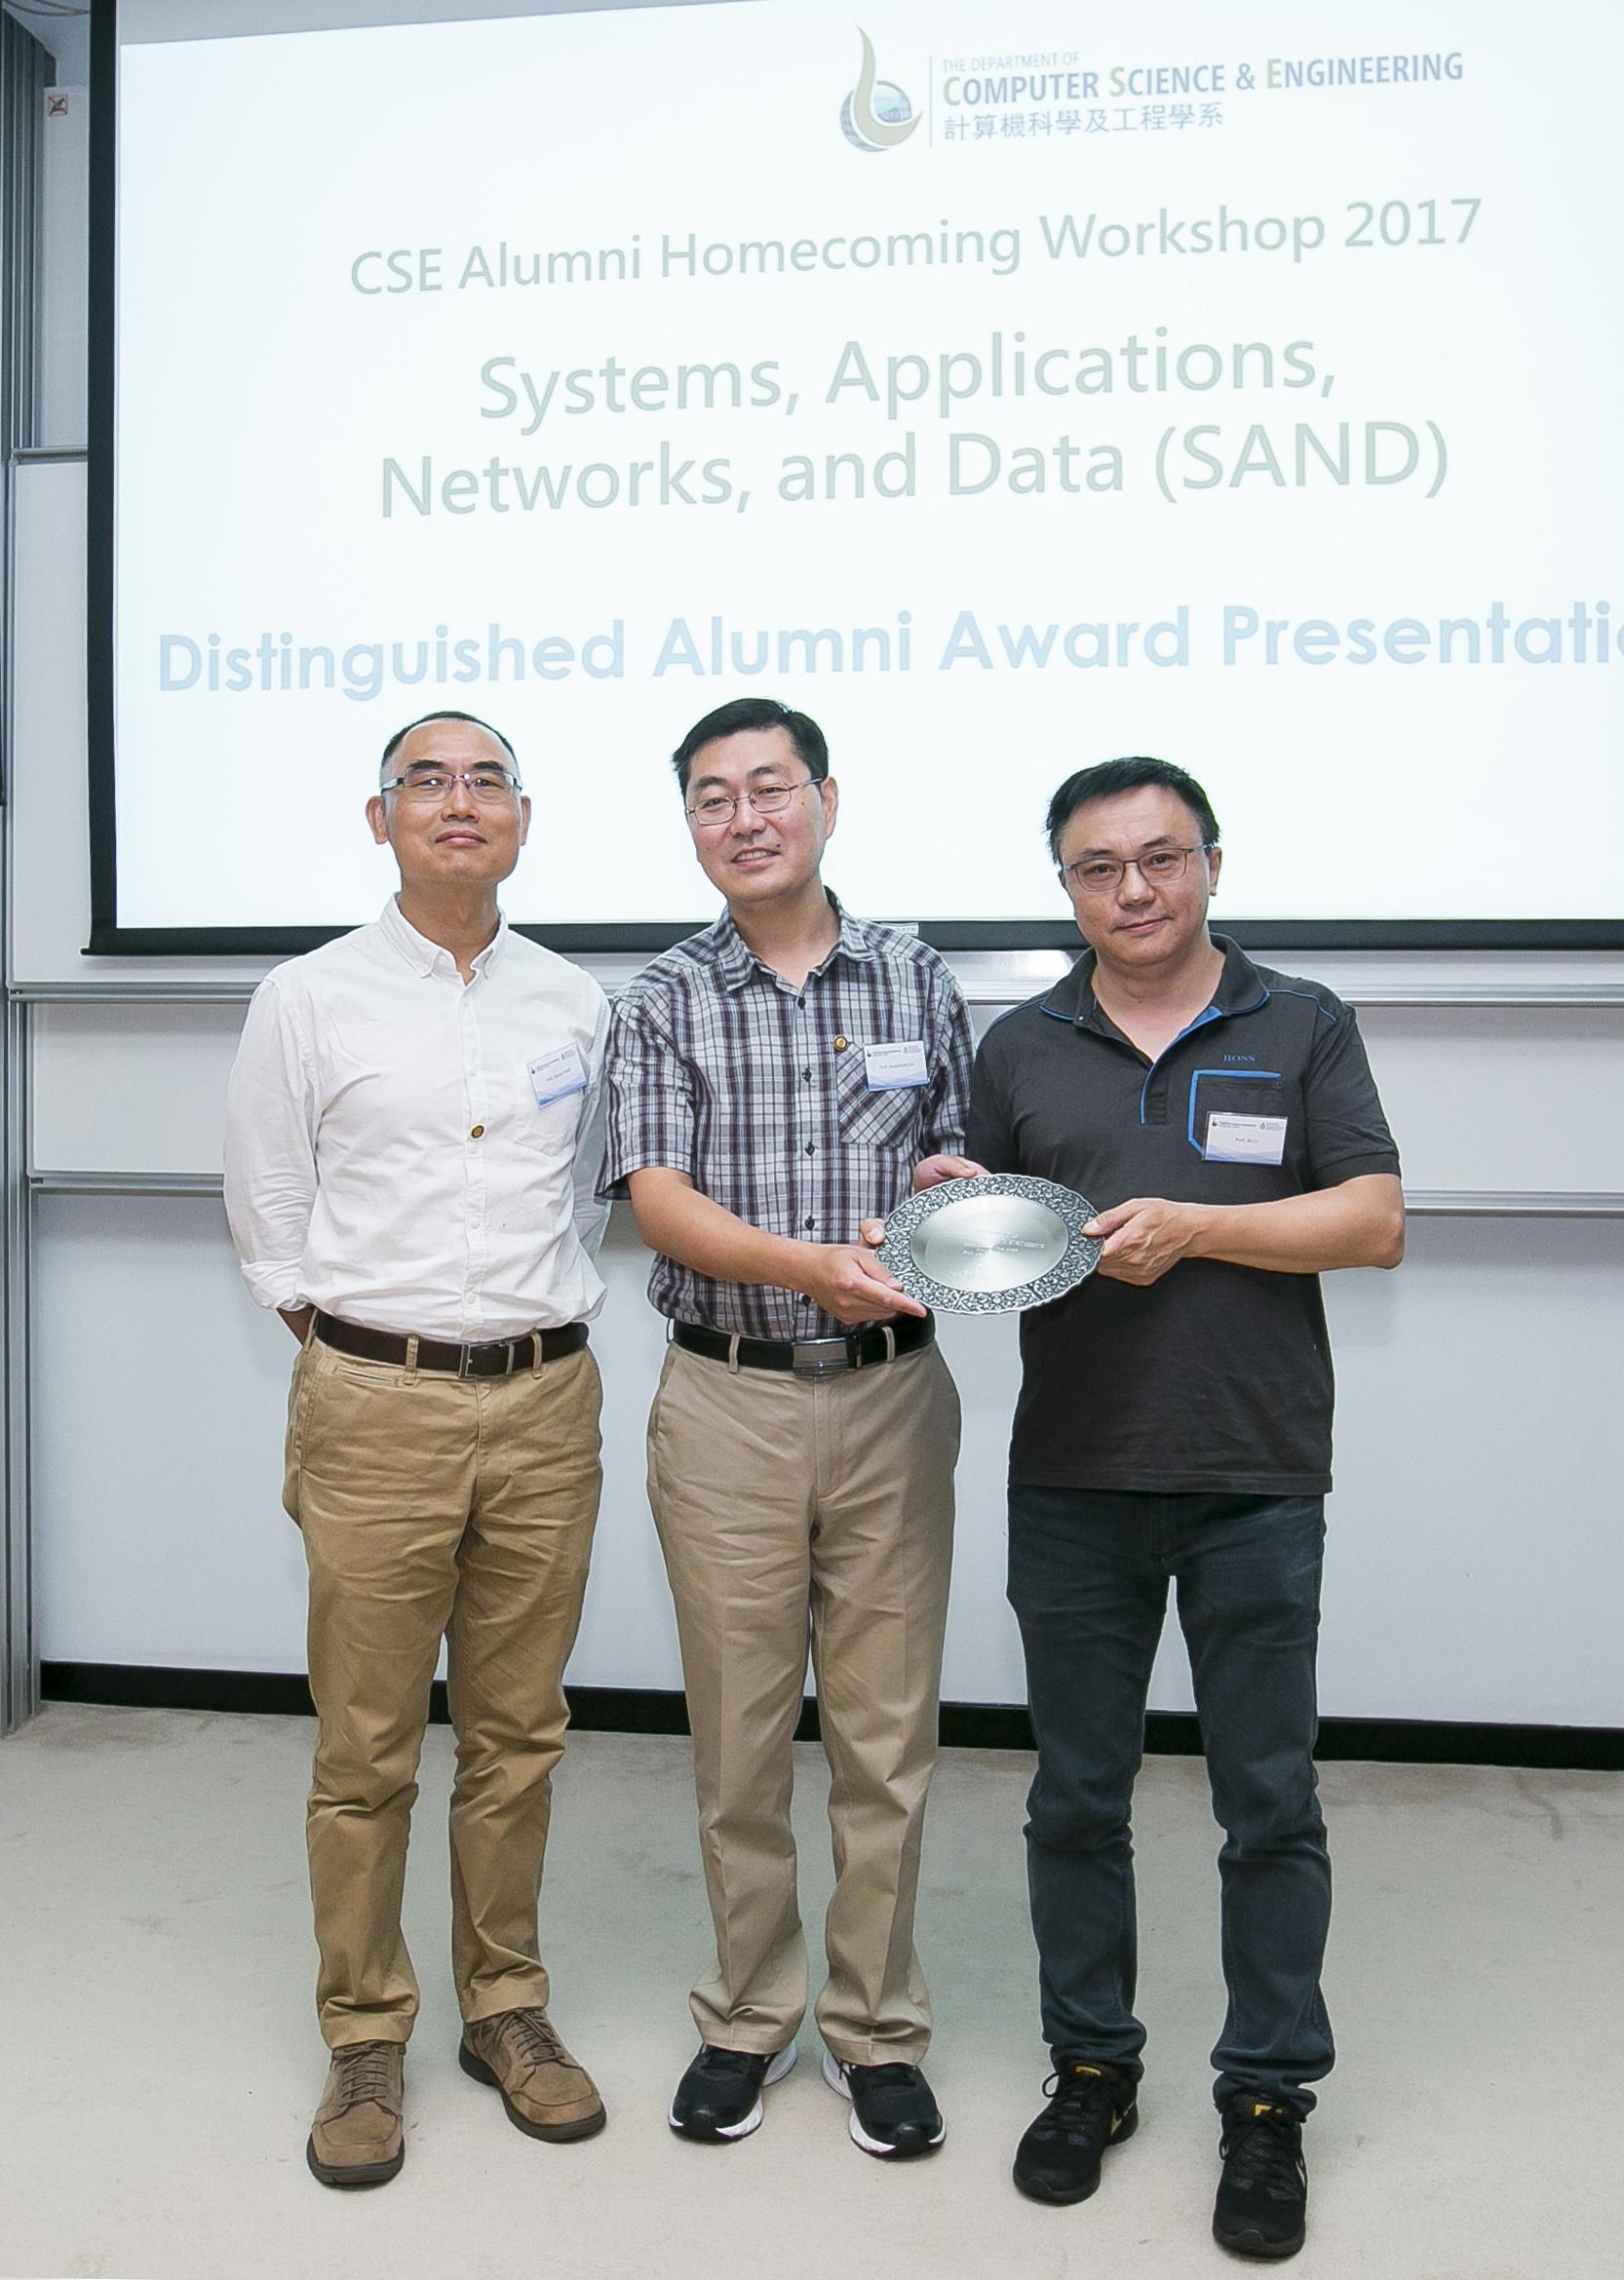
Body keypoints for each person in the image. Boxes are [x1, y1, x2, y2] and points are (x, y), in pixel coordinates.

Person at [961, 755, 1406, 2261]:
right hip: (1071, 1476)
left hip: (1253, 1478)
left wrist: (1203, 1228)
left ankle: (1267, 2100)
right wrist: (966, 1209)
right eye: (1097, 868)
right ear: (1066, 888)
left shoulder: (1299, 1022)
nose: (1133, 891)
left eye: (1160, 858)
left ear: (1211, 862)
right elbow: (996, 1247)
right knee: (1075, 1800)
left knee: (1264, 1803)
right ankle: (1091, 2069)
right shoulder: (1021, 1045)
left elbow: (1373, 1218)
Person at [223, 710, 615, 2190]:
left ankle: (503, 2008)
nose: (460, 803)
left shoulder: (577, 1002)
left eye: (487, 781)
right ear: (377, 818)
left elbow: (581, 1200)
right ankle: (364, 2030)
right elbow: (269, 1207)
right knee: (366, 1747)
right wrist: (362, 1353)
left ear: (525, 814)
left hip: (543, 1404)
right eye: (426, 783)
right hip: (374, 1405)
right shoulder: (307, 997)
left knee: (519, 1736)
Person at [603, 695, 981, 2159]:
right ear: (691, 824)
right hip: (727, 1402)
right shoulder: (658, 998)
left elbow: (957, 1158)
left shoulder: (915, 976)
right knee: (740, 1740)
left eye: (769, 788)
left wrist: (953, 1185)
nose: (744, 817)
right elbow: (658, 1205)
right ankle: (746, 2017)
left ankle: (874, 2030)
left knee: (885, 1740)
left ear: (826, 800)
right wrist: (805, 1262)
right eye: (712, 797)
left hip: (892, 1396)